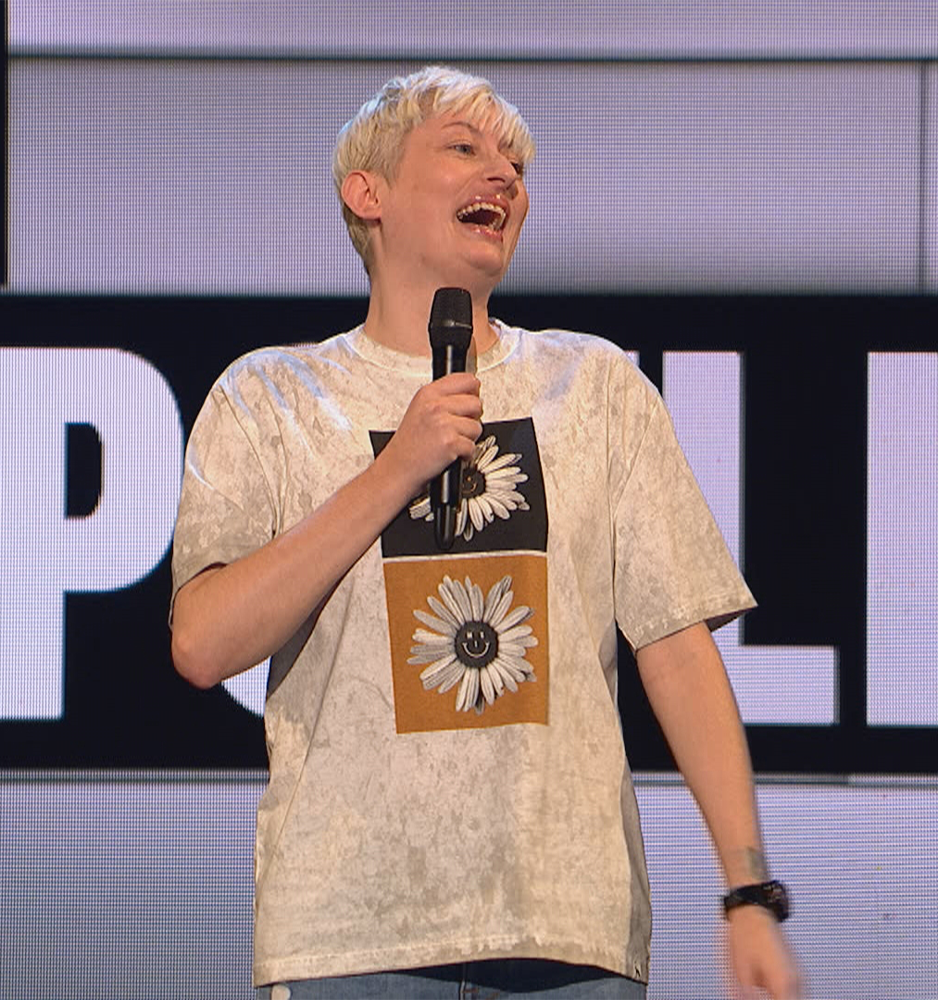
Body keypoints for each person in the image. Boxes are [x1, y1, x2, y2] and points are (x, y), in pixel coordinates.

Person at [171, 66, 801, 999]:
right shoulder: (271, 398)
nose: (503, 176)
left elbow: (675, 646)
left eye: (515, 162)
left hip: (569, 936)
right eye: (465, 149)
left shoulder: (597, 390)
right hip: (351, 941)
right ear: (367, 192)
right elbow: (203, 642)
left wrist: (748, 890)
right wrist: (395, 470)